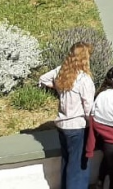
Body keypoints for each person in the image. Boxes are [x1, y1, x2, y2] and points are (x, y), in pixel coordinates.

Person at [38, 42, 96, 189]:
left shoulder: (61, 71)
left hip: (62, 125)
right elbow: (89, 108)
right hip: (78, 127)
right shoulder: (84, 80)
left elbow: (43, 79)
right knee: (77, 167)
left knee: (67, 162)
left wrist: (58, 87)